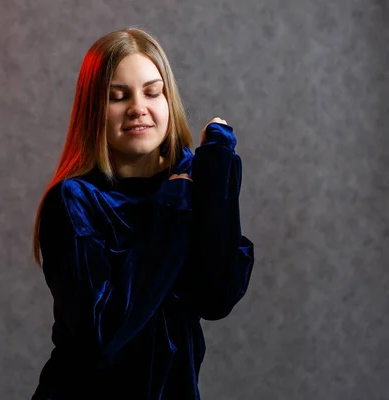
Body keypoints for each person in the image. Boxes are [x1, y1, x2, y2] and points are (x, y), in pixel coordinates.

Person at [30, 27, 255, 400]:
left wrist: (217, 178)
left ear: (169, 99)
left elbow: (217, 297)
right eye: (118, 97)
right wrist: (171, 211)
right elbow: (103, 333)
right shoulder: (74, 200)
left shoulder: (192, 181)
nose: (138, 107)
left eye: (152, 92)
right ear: (94, 111)